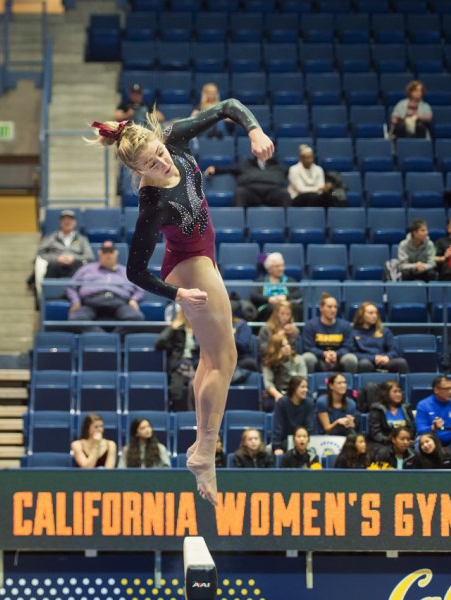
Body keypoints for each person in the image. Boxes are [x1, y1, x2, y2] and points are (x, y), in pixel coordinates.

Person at [90, 98, 274, 506]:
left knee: (210, 360)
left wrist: (254, 130)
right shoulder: (151, 205)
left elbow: (227, 105)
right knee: (225, 359)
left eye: (159, 155)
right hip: (190, 267)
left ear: (159, 140)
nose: (163, 165)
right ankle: (206, 453)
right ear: (137, 173)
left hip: (203, 256)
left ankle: (199, 448)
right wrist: (177, 293)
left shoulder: (171, 137)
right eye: (151, 167)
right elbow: (134, 272)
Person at [66, 240, 145, 333]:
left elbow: (140, 289)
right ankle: (105, 339)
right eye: (105, 252)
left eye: (111, 252)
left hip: (118, 301)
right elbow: (71, 286)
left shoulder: (126, 271)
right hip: (91, 302)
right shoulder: (86, 269)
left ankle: (110, 339)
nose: (108, 255)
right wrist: (76, 301)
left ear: (116, 254)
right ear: (100, 254)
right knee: (76, 320)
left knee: (136, 319)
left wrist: (134, 299)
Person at [32, 209, 94, 299]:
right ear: (60, 222)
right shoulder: (51, 238)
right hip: (55, 267)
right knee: (50, 266)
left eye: (70, 219)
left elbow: (90, 257)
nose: (67, 222)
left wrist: (74, 258)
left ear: (75, 222)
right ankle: (48, 297)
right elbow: (40, 253)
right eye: (64, 219)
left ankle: (73, 296)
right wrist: (56, 258)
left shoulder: (82, 239)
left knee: (80, 268)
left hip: (74, 267)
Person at [155, 306, 199, 411]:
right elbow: (159, 342)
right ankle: (177, 414)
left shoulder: (200, 329)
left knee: (199, 387)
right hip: (179, 364)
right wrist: (173, 327)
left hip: (196, 364)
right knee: (176, 389)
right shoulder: (177, 328)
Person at [302, 292, 358, 374]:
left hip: (338, 358)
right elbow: (308, 347)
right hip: (319, 358)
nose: (333, 310)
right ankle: (308, 384)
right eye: (329, 307)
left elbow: (348, 346)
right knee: (307, 358)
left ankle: (349, 385)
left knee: (351, 359)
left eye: (335, 307)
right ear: (321, 308)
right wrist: (323, 354)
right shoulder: (311, 325)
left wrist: (336, 354)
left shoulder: (345, 325)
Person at [204, 155, 290, 208]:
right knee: (240, 193)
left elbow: (293, 170)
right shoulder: (245, 164)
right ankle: (238, 223)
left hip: (273, 192)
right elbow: (229, 169)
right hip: (251, 192)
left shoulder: (278, 165)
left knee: (284, 193)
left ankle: (287, 225)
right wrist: (215, 169)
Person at [351, 302, 409, 374]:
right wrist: (373, 358)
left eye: (376, 313)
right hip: (366, 360)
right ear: (361, 314)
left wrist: (387, 357)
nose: (374, 315)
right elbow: (353, 353)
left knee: (401, 362)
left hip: (383, 360)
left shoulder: (384, 331)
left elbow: (393, 350)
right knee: (364, 364)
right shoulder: (353, 332)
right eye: (371, 313)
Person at [250, 253, 303, 322]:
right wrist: (269, 299)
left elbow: (298, 293)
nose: (281, 268)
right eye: (277, 266)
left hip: (286, 305)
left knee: (296, 307)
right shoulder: (260, 281)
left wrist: (285, 297)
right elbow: (254, 295)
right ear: (269, 268)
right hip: (268, 307)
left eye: (282, 265)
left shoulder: (290, 280)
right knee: (274, 308)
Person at [262, 333, 308, 411]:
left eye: (288, 344)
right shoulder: (269, 363)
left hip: (295, 392)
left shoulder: (298, 359)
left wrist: (292, 396)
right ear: (275, 349)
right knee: (269, 405)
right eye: (283, 346)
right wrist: (277, 395)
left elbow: (302, 379)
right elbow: (268, 383)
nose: (287, 347)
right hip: (278, 392)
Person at [272, 375, 316, 455]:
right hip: (285, 442)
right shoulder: (282, 403)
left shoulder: (309, 403)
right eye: (302, 387)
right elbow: (278, 427)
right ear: (294, 388)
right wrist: (277, 447)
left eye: (306, 387)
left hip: (304, 441)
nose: (306, 390)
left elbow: (310, 427)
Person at [367, 380, 415, 451]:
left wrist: (407, 439)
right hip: (384, 443)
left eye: (399, 391)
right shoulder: (377, 409)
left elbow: (412, 428)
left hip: (405, 442)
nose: (398, 394)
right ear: (385, 393)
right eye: (395, 392)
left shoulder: (406, 408)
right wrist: (390, 440)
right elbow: (375, 433)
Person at [415, 375, 451, 449]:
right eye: (446, 389)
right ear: (436, 390)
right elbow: (420, 430)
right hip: (433, 445)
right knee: (419, 442)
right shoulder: (423, 405)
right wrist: (433, 427)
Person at [316, 372, 360, 436]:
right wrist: (337, 422)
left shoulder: (351, 403)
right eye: (339, 383)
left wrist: (351, 424)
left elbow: (351, 427)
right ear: (331, 386)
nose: (343, 385)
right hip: (328, 436)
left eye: (344, 383)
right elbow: (327, 428)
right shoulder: (322, 402)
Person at [435, 217, 451, 281]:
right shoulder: (441, 242)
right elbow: (433, 257)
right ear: (449, 229)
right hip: (447, 272)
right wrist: (444, 256)